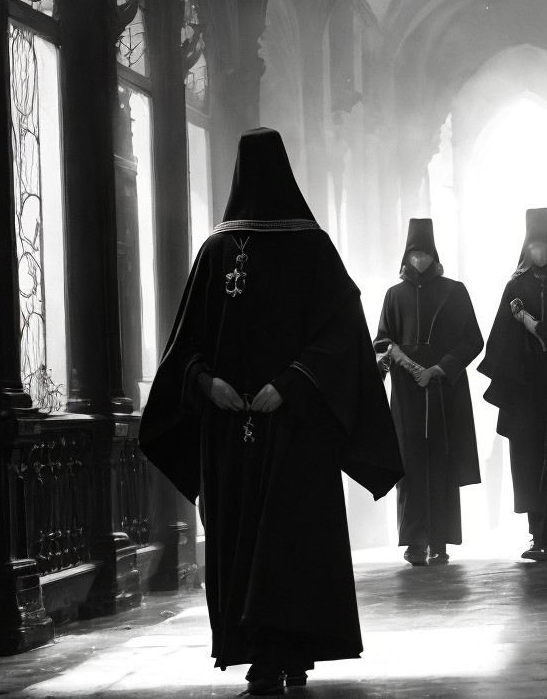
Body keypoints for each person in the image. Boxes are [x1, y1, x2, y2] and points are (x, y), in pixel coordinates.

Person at [139, 128, 403, 696]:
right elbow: (186, 350)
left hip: (291, 428)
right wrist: (207, 384)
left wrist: (289, 385)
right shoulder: (222, 251)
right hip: (250, 427)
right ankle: (266, 651)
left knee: (287, 538)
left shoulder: (298, 248)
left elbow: (340, 337)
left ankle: (285, 649)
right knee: (267, 537)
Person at [374, 219, 483, 566]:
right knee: (409, 464)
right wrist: (404, 363)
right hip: (407, 394)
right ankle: (415, 541)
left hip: (443, 391)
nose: (419, 259)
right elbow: (381, 341)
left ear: (435, 256)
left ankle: (441, 541)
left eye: (425, 252)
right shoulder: (394, 294)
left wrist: (439, 369)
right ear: (406, 257)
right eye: (414, 252)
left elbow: (472, 340)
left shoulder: (455, 290)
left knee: (442, 461)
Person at [477, 207, 547, 562]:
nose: (539, 251)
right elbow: (499, 340)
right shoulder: (515, 285)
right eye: (533, 245)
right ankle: (537, 535)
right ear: (526, 246)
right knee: (530, 458)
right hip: (526, 387)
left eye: (544, 244)